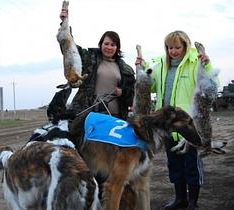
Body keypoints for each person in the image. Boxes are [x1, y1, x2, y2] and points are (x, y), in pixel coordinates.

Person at [136, 30, 215, 210]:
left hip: (188, 125)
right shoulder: (161, 66)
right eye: (170, 47)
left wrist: (207, 65)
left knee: (192, 165)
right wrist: (142, 70)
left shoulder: (196, 63)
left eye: (177, 47)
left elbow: (211, 84)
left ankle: (193, 202)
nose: (173, 51)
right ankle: (180, 199)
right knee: (174, 164)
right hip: (167, 125)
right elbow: (151, 86)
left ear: (185, 46)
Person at [59, 9, 135, 120]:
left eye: (113, 45)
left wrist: (123, 92)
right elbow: (70, 48)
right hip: (88, 114)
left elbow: (133, 95)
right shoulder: (89, 58)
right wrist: (64, 22)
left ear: (117, 48)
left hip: (116, 117)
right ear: (101, 44)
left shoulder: (126, 70)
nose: (109, 47)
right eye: (106, 44)